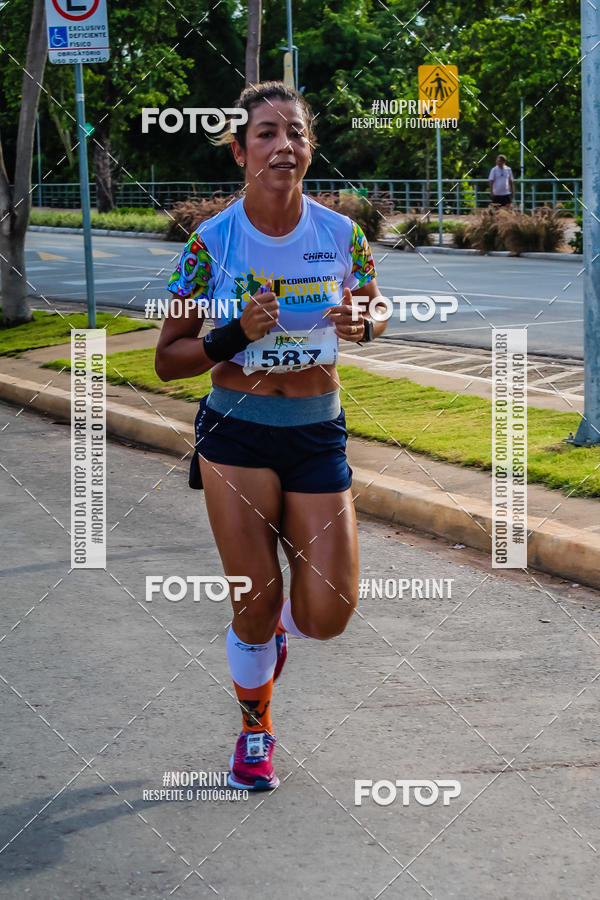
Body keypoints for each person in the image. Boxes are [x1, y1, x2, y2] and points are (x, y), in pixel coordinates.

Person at [155, 81, 386, 791]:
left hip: (316, 432)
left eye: (296, 132)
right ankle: (256, 731)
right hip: (237, 432)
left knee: (327, 614)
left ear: (309, 148)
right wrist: (234, 332)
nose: (284, 145)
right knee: (252, 600)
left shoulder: (343, 236)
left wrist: (364, 324)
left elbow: (374, 309)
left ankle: (280, 626)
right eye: (266, 133)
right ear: (240, 150)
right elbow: (169, 359)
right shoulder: (210, 244)